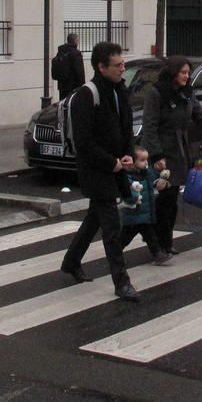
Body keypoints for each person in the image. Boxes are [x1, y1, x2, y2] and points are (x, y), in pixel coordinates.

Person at [59, 41, 140, 301]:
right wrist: (111, 162)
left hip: (116, 165)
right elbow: (83, 142)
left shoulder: (119, 90)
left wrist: (127, 153)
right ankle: (121, 282)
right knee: (111, 227)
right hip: (96, 169)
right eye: (117, 66)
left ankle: (71, 261)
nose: (122, 69)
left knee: (95, 216)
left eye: (123, 64)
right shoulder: (87, 95)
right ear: (101, 67)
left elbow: (126, 127)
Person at [141, 55, 202, 256]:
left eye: (188, 73)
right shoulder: (157, 93)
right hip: (162, 150)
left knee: (172, 197)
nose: (187, 76)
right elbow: (150, 125)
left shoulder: (188, 93)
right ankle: (158, 241)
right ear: (173, 73)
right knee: (164, 198)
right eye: (183, 73)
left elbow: (200, 115)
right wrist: (156, 154)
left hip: (179, 150)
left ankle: (165, 241)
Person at [119, 147, 172, 265]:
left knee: (149, 235)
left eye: (146, 160)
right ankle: (115, 254)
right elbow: (126, 191)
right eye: (142, 160)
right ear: (132, 162)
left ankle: (158, 254)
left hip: (144, 213)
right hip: (133, 213)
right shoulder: (127, 176)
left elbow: (155, 181)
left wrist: (160, 173)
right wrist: (134, 198)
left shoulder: (146, 173)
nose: (146, 163)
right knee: (125, 238)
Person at [51, 33, 86, 101]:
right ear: (75, 41)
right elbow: (79, 72)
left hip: (62, 86)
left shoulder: (61, 52)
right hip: (73, 86)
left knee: (63, 104)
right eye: (78, 40)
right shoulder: (76, 53)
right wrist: (82, 86)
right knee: (73, 105)